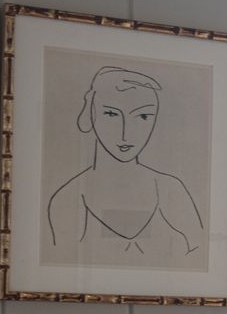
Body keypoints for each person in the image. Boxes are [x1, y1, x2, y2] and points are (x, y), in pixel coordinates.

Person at [46, 65, 204, 261]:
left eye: (143, 116)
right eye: (111, 114)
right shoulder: (69, 197)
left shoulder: (169, 188)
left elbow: (202, 254)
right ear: (91, 112)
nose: (126, 133)